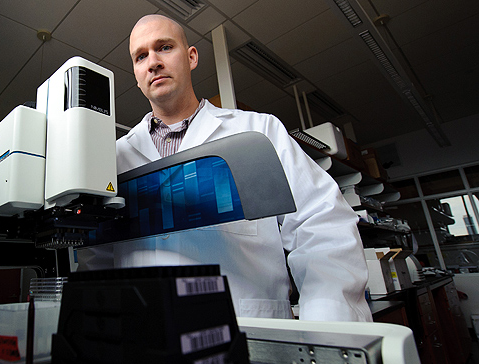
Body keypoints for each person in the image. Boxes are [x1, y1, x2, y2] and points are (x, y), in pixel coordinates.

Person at [82, 14, 372, 322]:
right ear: (137, 75)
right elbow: (97, 257)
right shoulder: (114, 158)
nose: (153, 62)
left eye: (164, 47)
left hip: (251, 335)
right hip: (145, 341)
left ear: (191, 57)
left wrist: (326, 327)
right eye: (141, 56)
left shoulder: (259, 132)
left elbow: (322, 225)